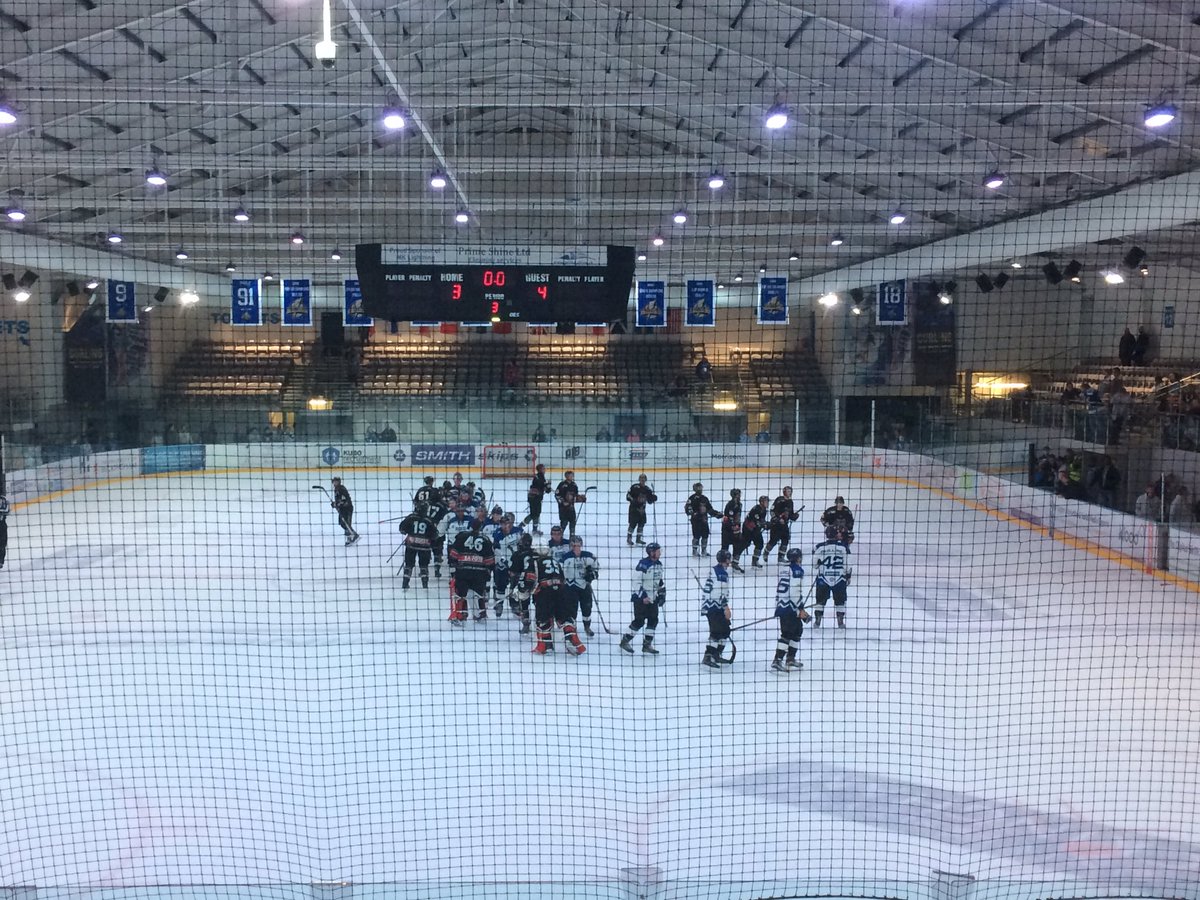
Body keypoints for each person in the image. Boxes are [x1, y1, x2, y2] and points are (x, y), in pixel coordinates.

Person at [523, 546, 584, 655]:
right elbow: (563, 578)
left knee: (543, 619)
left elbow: (529, 580)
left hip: (544, 593)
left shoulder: (534, 562)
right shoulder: (555, 561)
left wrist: (522, 591)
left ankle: (545, 645)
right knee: (564, 617)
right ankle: (574, 641)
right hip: (562, 591)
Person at [619, 542, 665, 655]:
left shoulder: (659, 564)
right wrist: (643, 596)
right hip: (640, 599)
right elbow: (635, 581)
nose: (660, 553)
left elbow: (659, 581)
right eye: (658, 551)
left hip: (652, 598)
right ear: (652, 553)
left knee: (653, 620)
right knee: (639, 621)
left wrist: (662, 594)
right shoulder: (643, 564)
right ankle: (625, 641)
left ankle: (647, 644)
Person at [447, 522, 495, 624]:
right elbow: (490, 560)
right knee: (478, 593)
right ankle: (481, 615)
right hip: (479, 572)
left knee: (461, 593)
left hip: (463, 570)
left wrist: (453, 566)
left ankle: (461, 615)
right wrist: (488, 571)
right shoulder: (486, 539)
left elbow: (453, 554)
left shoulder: (462, 536)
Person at [771, 547, 810, 673]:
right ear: (798, 558)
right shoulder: (797, 570)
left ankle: (790, 658)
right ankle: (777, 660)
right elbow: (794, 591)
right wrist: (800, 609)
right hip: (790, 607)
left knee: (797, 631)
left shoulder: (784, 569)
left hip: (783, 605)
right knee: (787, 634)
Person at [812, 525, 852, 629]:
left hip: (823, 578)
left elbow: (814, 564)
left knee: (820, 600)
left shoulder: (819, 547)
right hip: (839, 578)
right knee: (840, 601)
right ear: (836, 534)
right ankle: (840, 621)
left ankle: (817, 620)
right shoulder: (843, 547)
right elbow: (848, 564)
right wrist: (848, 575)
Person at [700, 550, 734, 669]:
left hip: (712, 606)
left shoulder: (717, 570)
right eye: (729, 558)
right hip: (715, 606)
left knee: (724, 631)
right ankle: (708, 656)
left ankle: (716, 654)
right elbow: (719, 592)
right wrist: (726, 608)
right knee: (716, 632)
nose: (730, 560)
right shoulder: (721, 573)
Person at [562, 535, 601, 637]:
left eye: (578, 545)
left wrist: (591, 575)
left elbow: (596, 568)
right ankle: (572, 628)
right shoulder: (566, 557)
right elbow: (562, 572)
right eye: (574, 545)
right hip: (571, 586)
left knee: (587, 607)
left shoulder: (588, 556)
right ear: (571, 546)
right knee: (571, 608)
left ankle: (587, 626)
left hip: (584, 585)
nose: (576, 548)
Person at [490, 513, 525, 616]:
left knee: (516, 584)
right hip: (503, 562)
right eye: (503, 524)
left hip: (517, 562)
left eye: (507, 523)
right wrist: (502, 561)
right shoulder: (497, 533)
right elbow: (496, 549)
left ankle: (515, 604)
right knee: (500, 583)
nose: (505, 526)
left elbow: (524, 544)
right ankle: (499, 604)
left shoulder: (518, 531)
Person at [398, 504, 436, 590]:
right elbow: (434, 534)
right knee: (424, 565)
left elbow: (402, 529)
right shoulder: (429, 520)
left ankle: (405, 582)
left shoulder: (411, 517)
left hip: (411, 545)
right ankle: (425, 584)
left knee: (409, 564)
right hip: (425, 546)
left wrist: (409, 532)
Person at [763, 486, 802, 561]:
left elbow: (790, 515)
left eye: (790, 491)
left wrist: (794, 516)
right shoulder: (779, 500)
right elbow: (772, 511)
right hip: (776, 525)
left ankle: (781, 557)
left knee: (785, 540)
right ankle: (766, 552)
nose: (790, 493)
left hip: (785, 525)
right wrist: (778, 519)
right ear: (784, 492)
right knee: (773, 541)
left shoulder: (790, 502)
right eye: (788, 491)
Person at [509, 533, 538, 632]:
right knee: (538, 603)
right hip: (536, 581)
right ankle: (542, 622)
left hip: (523, 582)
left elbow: (513, 572)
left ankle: (526, 624)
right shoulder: (535, 553)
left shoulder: (517, 554)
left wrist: (513, 586)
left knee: (524, 603)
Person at [684, 482, 721, 557]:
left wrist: (717, 514)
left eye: (701, 488)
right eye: (698, 488)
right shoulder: (691, 498)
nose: (700, 489)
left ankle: (704, 550)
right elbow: (687, 508)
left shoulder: (704, 498)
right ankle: (695, 551)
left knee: (705, 535)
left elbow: (710, 509)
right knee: (696, 536)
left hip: (704, 520)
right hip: (696, 521)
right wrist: (693, 513)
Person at [736, 495, 770, 569]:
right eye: (766, 502)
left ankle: (754, 562)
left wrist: (767, 524)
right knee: (744, 544)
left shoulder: (763, 510)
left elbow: (761, 521)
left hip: (755, 529)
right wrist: (764, 525)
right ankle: (735, 562)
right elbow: (756, 521)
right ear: (761, 502)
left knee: (760, 544)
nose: (767, 503)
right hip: (748, 529)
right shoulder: (757, 509)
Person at [625, 474, 657, 545]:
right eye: (641, 478)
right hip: (633, 509)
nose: (642, 480)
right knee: (632, 524)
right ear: (639, 479)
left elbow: (649, 501)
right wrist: (633, 500)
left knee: (641, 524)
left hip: (642, 510)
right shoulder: (634, 487)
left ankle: (638, 539)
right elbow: (628, 496)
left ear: (646, 480)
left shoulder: (648, 489)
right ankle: (629, 538)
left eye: (644, 479)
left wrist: (653, 498)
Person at [554, 469, 587, 538]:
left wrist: (580, 498)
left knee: (572, 521)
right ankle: (559, 536)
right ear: (566, 476)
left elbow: (575, 496)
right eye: (570, 475)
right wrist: (563, 502)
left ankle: (572, 536)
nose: (572, 476)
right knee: (564, 522)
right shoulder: (562, 484)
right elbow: (557, 495)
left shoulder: (574, 485)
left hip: (571, 507)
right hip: (563, 508)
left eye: (572, 475)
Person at [521, 463, 551, 535]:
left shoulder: (539, 477)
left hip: (535, 498)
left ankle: (534, 529)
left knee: (536, 514)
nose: (545, 470)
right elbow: (545, 489)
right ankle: (521, 526)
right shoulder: (540, 477)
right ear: (540, 469)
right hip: (535, 498)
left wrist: (547, 486)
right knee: (534, 514)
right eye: (543, 468)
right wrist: (548, 486)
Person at [331, 477, 360, 545]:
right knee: (342, 523)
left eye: (336, 482)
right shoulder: (336, 489)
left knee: (346, 523)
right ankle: (352, 535)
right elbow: (339, 500)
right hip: (342, 509)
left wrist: (337, 504)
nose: (335, 483)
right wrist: (335, 503)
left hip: (347, 509)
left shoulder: (342, 489)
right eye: (334, 482)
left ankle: (352, 537)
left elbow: (344, 501)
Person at [720, 488, 744, 571]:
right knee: (725, 547)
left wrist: (738, 527)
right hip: (727, 529)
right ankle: (723, 564)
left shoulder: (740, 504)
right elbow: (728, 518)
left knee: (737, 546)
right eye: (738, 494)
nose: (739, 496)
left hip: (736, 528)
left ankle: (735, 563)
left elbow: (738, 517)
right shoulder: (730, 505)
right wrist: (733, 525)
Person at [0, 490, 8, 569]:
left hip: (1, 525)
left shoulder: (3, 499)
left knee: (2, 544)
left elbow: (7, 510)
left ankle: (1, 561)